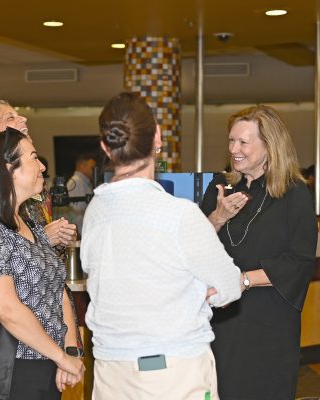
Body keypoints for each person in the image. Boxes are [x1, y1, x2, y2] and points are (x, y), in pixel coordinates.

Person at [82, 92, 242, 400]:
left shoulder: (94, 212)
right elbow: (230, 285)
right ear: (157, 136)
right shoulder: (180, 215)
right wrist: (198, 291)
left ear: (106, 147)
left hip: (110, 371)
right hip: (173, 371)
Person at [0, 128, 85, 399]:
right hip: (8, 369)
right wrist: (60, 355)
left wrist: (69, 351)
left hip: (48, 365)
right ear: (7, 169)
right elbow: (6, 308)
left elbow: (58, 288)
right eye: (34, 158)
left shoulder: (30, 223)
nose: (43, 166)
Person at [200, 104, 318, 400]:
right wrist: (218, 218)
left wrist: (244, 280)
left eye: (243, 142)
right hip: (220, 322)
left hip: (268, 321)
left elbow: (299, 262)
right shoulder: (219, 187)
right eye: (231, 140)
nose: (234, 149)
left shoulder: (293, 193)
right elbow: (192, 247)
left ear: (269, 145)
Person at [0, 99, 76, 247]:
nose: (24, 118)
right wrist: (43, 240)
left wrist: (59, 239)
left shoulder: (32, 189)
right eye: (10, 117)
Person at [67, 155, 96, 233]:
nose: (93, 171)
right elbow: (78, 211)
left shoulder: (82, 182)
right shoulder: (77, 182)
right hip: (82, 230)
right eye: (91, 167)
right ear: (82, 166)